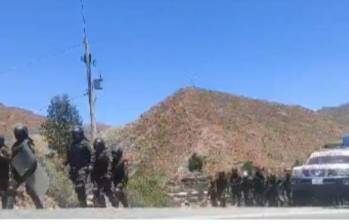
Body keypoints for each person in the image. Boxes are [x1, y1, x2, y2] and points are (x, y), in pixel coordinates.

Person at [8, 126, 44, 209]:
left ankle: (40, 208)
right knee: (13, 189)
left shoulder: (26, 143)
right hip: (20, 170)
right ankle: (8, 209)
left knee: (30, 190)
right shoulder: (17, 145)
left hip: (27, 170)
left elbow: (31, 156)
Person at [66, 126, 93, 208]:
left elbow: (92, 154)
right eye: (74, 134)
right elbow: (69, 156)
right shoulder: (72, 145)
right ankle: (83, 203)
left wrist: (91, 164)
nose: (75, 136)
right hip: (74, 169)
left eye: (76, 134)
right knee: (77, 188)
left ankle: (89, 200)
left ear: (80, 134)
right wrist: (65, 163)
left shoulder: (85, 144)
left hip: (83, 167)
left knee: (81, 184)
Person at [91, 138, 118, 208]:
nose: (98, 146)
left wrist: (109, 173)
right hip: (97, 175)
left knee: (108, 191)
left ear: (102, 145)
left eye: (99, 145)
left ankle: (115, 204)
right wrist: (90, 167)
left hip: (106, 174)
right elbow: (92, 162)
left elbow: (110, 162)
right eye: (97, 145)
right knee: (97, 191)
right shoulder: (94, 153)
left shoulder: (107, 152)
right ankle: (102, 207)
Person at [0, 135, 10, 209]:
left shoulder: (5, 150)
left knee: (4, 196)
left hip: (3, 177)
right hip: (3, 177)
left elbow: (9, 160)